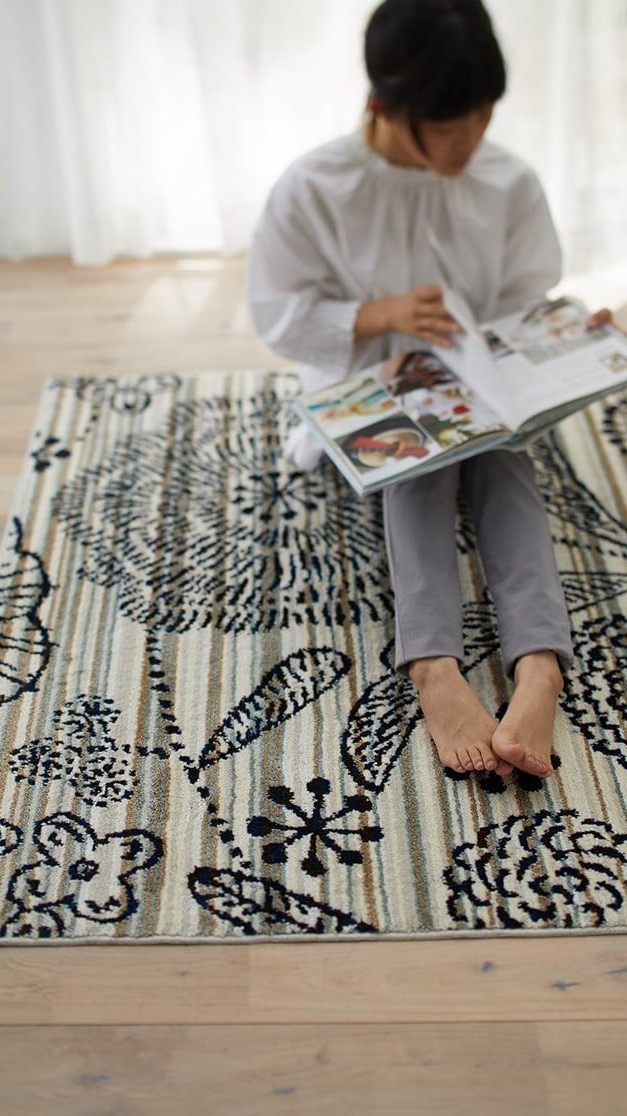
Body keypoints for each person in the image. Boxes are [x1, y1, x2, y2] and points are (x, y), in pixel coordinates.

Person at [246, 0, 619, 779]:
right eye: (451, 125)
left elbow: (524, 298)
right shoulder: (314, 188)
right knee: (417, 468)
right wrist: (379, 314)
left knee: (509, 462)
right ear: (385, 108)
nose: (471, 140)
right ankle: (433, 667)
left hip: (485, 375)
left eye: (484, 117)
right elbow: (279, 314)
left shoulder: (506, 179)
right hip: (371, 378)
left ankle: (540, 665)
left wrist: (573, 336)